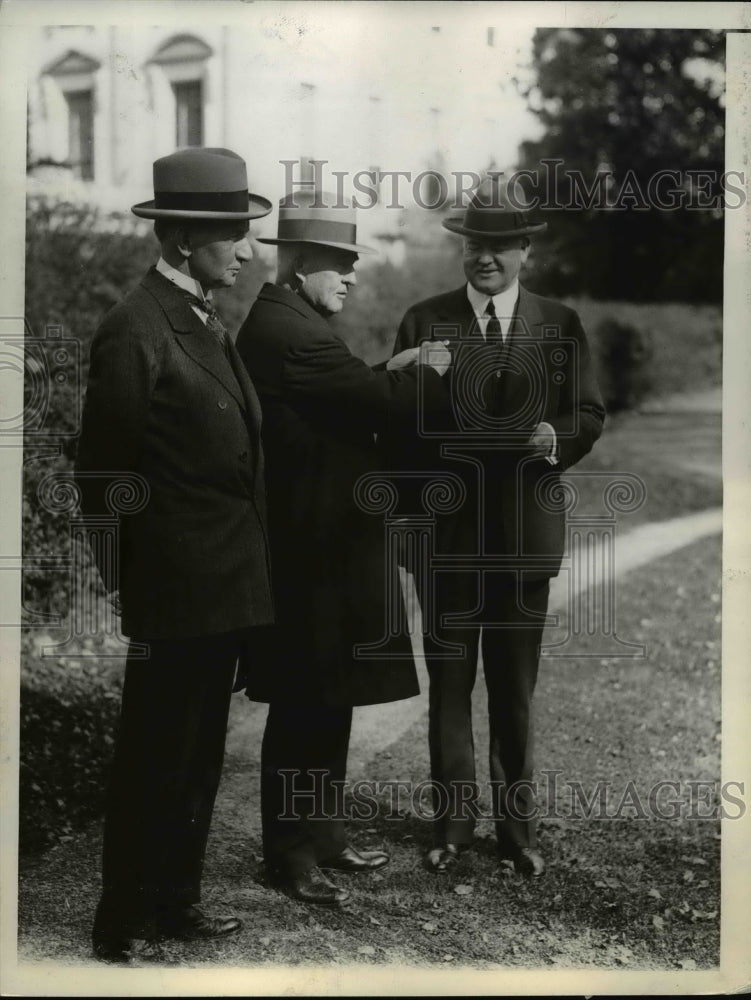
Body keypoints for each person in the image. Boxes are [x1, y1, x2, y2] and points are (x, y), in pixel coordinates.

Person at [75, 147, 274, 962]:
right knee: (155, 752)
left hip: (223, 584)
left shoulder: (197, 316)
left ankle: (175, 900)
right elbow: (103, 473)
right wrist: (130, 586)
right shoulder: (135, 327)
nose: (250, 251)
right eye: (236, 235)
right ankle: (120, 918)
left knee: (196, 756)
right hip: (174, 591)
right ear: (188, 238)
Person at [235, 189, 451, 906]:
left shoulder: (288, 320)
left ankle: (320, 834)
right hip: (308, 555)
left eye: (353, 264)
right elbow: (373, 400)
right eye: (338, 265)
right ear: (297, 265)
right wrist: (422, 371)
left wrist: (393, 370)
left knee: (331, 697)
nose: (351, 277)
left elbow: (350, 388)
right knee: (304, 701)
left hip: (325, 547)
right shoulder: (287, 331)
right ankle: (288, 850)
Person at [387, 175, 605, 877]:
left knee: (513, 691)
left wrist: (555, 438)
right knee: (450, 686)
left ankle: (516, 831)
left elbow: (589, 414)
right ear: (463, 249)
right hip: (446, 545)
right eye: (474, 245)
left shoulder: (558, 323)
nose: (485, 257)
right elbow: (397, 429)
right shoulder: (424, 321)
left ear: (523, 251)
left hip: (521, 544)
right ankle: (451, 826)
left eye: (499, 246)